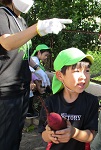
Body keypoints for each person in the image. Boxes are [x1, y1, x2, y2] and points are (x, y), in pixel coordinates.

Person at [0, 0, 71, 149]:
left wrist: (37, 68)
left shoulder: (21, 21)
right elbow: (8, 43)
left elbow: (23, 53)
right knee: (5, 140)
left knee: (14, 137)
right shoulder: (2, 15)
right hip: (6, 93)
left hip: (22, 91)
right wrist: (37, 28)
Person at [38, 48, 99, 150]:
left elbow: (90, 136)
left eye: (87, 71)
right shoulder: (50, 102)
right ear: (60, 75)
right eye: (76, 71)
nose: (83, 76)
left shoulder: (91, 101)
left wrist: (74, 133)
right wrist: (49, 135)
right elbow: (43, 135)